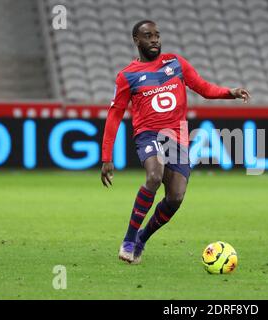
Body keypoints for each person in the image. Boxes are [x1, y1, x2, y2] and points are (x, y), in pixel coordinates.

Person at [101, 20, 251, 264]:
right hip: (148, 134)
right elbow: (115, 115)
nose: (154, 40)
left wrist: (229, 92)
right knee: (154, 175)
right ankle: (128, 239)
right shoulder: (127, 76)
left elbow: (202, 87)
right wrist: (107, 157)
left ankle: (141, 239)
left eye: (157, 35)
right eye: (148, 36)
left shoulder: (175, 63)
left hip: (177, 137)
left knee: (176, 197)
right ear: (136, 40)